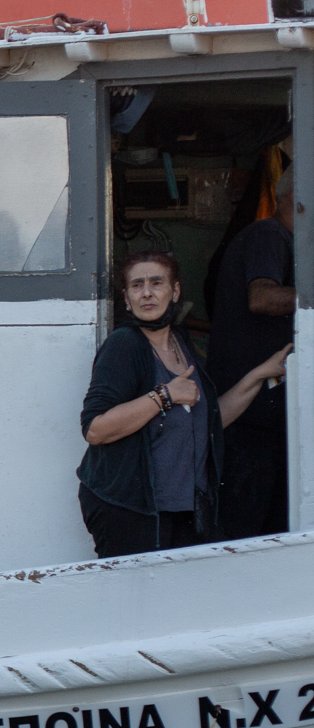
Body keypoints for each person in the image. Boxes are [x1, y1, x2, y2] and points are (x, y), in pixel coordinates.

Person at [79, 250, 289, 557]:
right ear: (126, 298)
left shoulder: (179, 341)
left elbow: (210, 420)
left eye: (156, 283)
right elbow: (95, 429)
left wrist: (259, 374)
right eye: (137, 285)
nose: (147, 293)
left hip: (184, 509)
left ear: (175, 291)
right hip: (131, 510)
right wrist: (165, 395)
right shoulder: (124, 345)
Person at [209, 169, 297, 538]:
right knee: (244, 534)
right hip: (248, 419)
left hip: (266, 418)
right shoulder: (269, 234)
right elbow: (261, 297)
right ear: (299, 198)